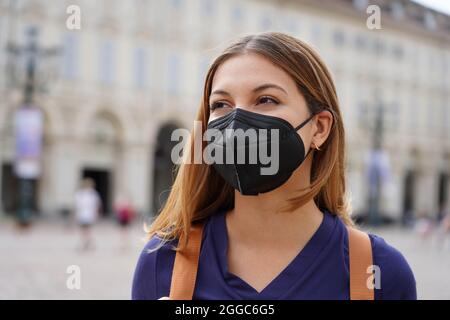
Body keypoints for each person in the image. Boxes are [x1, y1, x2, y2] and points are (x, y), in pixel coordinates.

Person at [132, 32, 416, 300]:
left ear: (319, 128)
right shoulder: (163, 260)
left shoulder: (380, 272)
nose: (236, 123)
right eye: (221, 104)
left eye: (266, 99)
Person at [74, 178, 101, 251]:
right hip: (83, 214)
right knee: (84, 230)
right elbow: (77, 205)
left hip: (89, 214)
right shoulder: (81, 194)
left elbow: (96, 205)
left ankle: (87, 243)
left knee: (87, 230)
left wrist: (96, 213)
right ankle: (87, 243)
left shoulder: (92, 194)